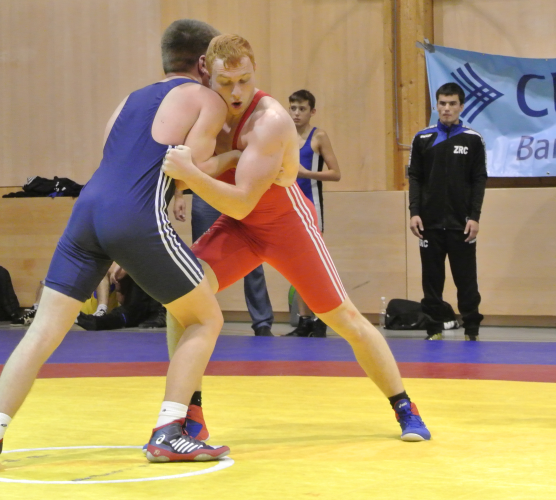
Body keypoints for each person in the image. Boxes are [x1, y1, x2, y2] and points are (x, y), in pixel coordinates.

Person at [0, 19, 234, 473]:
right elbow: (191, 171)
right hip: (135, 217)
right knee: (206, 318)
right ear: (204, 63)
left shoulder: (129, 99)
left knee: (42, 332)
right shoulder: (207, 99)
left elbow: (117, 157)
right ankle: (169, 432)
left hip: (87, 213)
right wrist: (236, 156)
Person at [162, 34, 431, 442]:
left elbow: (235, 199)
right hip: (240, 228)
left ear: (255, 70)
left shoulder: (270, 121)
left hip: (285, 226)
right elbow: (187, 173)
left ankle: (404, 406)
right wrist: (220, 162)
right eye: (225, 83)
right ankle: (190, 411)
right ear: (206, 73)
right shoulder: (202, 107)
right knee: (182, 296)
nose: (236, 93)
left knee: (345, 319)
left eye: (245, 80)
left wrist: (195, 174)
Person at [407, 83, 488, 341]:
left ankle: (471, 330)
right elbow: (415, 177)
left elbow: (479, 180)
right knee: (431, 281)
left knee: (466, 280)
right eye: (442, 103)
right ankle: (434, 329)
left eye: (452, 103)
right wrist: (414, 212)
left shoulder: (473, 139)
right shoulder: (422, 138)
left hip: (461, 225)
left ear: (461, 107)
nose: (447, 108)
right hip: (428, 224)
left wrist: (474, 217)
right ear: (436, 105)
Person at [175, 193, 275, 336]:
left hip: (238, 191)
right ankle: (199, 321)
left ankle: (262, 323)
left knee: (253, 259)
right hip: (205, 193)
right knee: (199, 263)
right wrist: (178, 196)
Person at [286, 89, 342, 338]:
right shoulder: (284, 136)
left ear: (312, 111)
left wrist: (306, 173)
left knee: (314, 266)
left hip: (311, 208)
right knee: (295, 267)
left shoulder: (318, 136)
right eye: (293, 108)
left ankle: (321, 318)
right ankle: (304, 320)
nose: (296, 114)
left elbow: (336, 173)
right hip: (288, 209)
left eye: (302, 109)